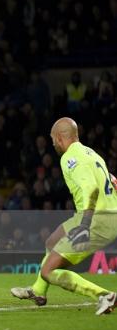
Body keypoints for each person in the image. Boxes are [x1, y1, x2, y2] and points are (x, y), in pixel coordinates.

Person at [11, 117, 116, 315]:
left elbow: (91, 188)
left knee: (48, 271)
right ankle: (38, 291)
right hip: (102, 214)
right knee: (52, 242)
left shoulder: (69, 158)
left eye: (52, 139)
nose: (52, 144)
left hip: (95, 219)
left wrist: (85, 225)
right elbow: (111, 179)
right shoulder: (91, 153)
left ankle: (105, 295)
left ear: (60, 138)